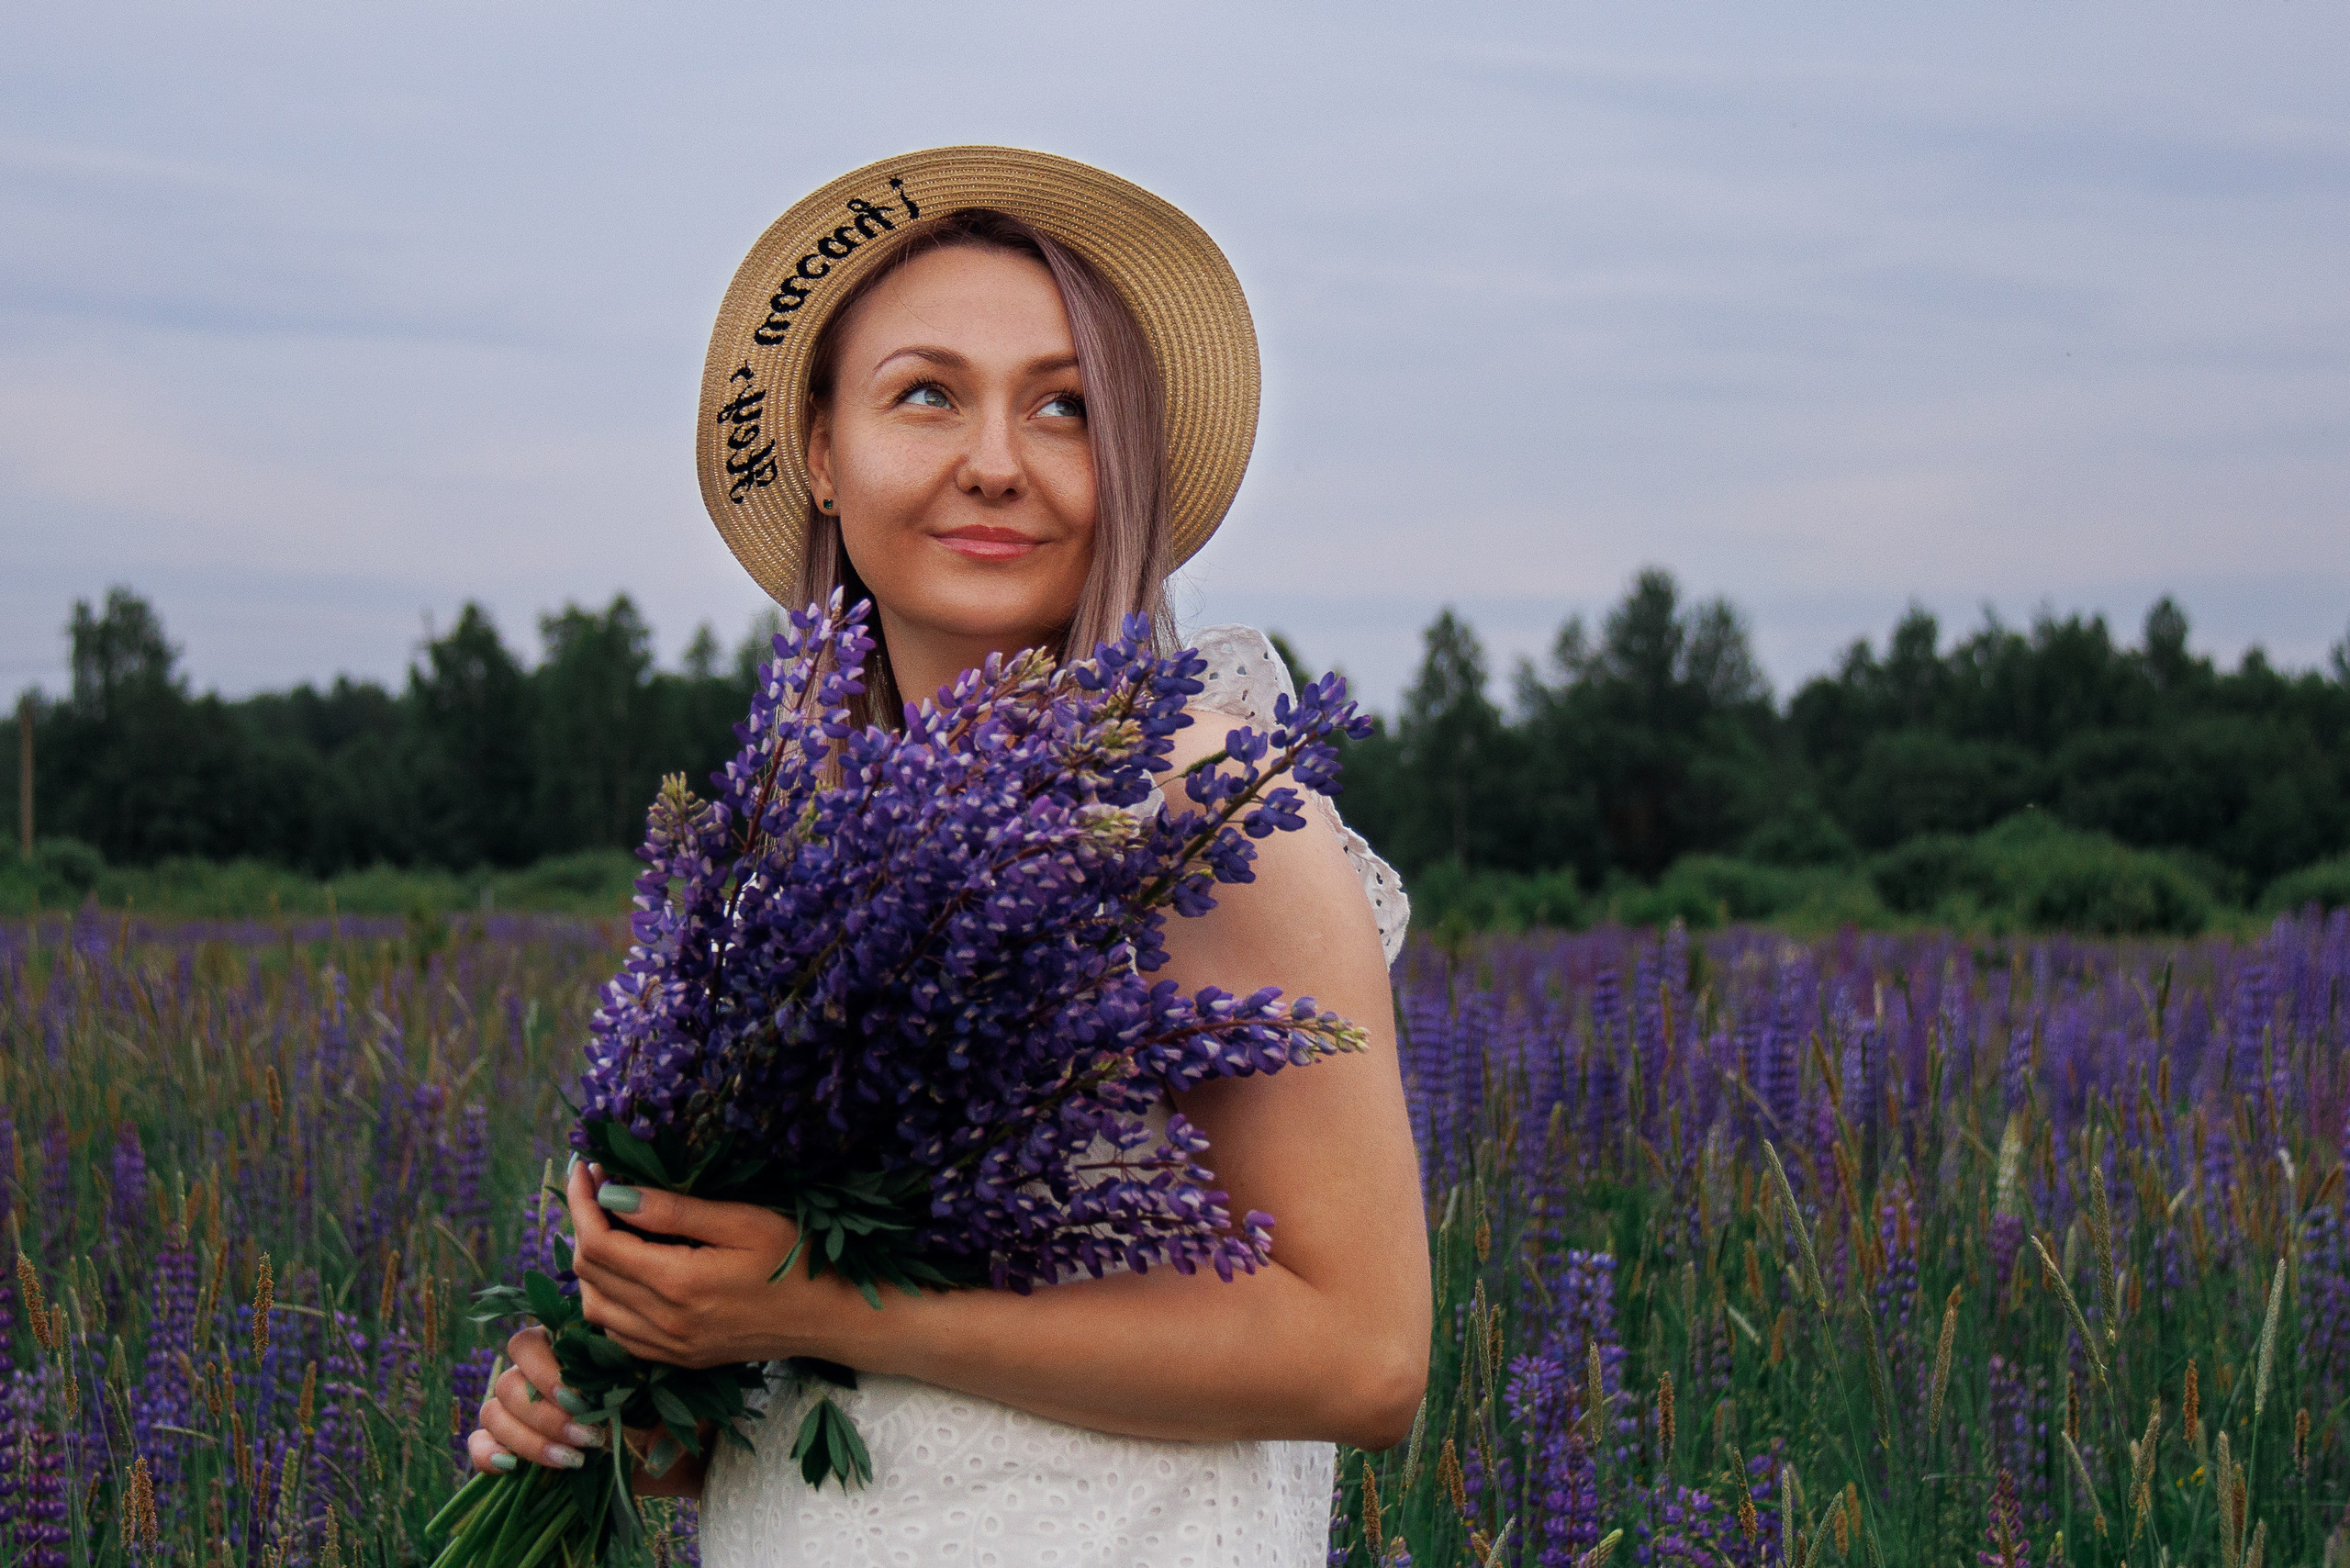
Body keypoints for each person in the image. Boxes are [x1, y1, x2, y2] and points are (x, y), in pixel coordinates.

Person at [465, 147, 1429, 1565]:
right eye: (927, 393)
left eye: (1066, 407)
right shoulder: (792, 859)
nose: (997, 459)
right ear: (820, 451)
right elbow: (784, 1397)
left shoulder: (1198, 809)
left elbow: (1362, 1358)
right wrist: (628, 1380)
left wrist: (802, 1304)